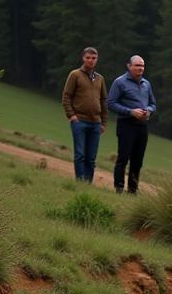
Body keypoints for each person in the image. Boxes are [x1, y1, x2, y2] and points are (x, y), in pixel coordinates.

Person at [107, 55, 156, 194]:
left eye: (142, 66)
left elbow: (153, 104)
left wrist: (149, 111)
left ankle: (133, 189)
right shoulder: (120, 82)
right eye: (137, 66)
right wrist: (130, 112)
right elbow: (110, 103)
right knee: (123, 157)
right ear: (129, 66)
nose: (140, 69)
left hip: (142, 125)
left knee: (138, 159)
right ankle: (119, 187)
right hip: (126, 124)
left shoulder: (146, 84)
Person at [61, 47, 107, 183]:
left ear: (97, 59)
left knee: (91, 157)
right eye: (88, 58)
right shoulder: (75, 75)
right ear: (83, 58)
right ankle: (80, 181)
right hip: (79, 120)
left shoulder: (99, 78)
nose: (91, 60)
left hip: (96, 123)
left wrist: (104, 122)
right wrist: (71, 115)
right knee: (80, 154)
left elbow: (104, 100)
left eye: (93, 58)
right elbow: (66, 96)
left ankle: (88, 183)